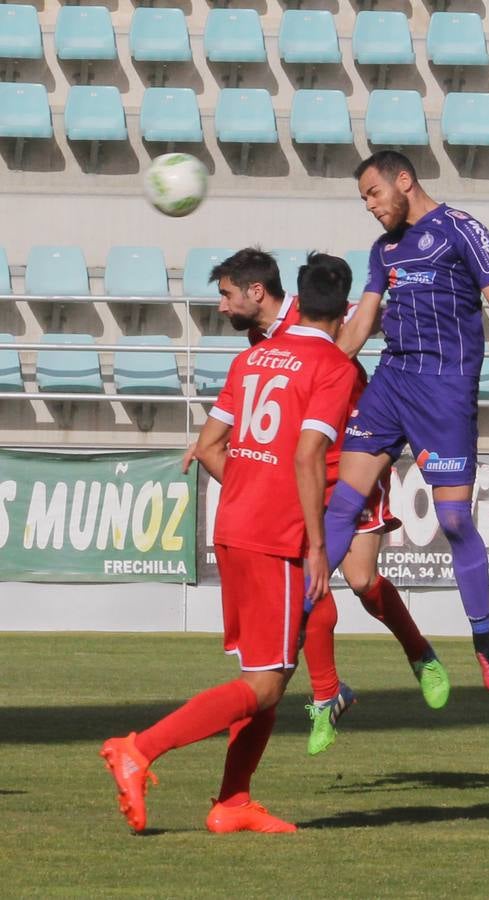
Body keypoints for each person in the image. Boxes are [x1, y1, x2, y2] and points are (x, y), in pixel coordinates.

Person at [100, 253, 357, 834]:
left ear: (295, 297)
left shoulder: (253, 358)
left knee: (269, 677)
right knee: (264, 683)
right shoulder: (333, 366)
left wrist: (251, 486)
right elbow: (308, 454)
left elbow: (209, 446)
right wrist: (317, 544)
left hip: (234, 525)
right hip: (276, 538)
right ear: (343, 309)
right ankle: (139, 749)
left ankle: (233, 802)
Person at [183, 248, 450, 757]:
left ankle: (420, 654)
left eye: (226, 295)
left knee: (362, 580)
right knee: (309, 589)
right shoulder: (261, 343)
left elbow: (357, 331)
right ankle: (328, 694)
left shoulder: (317, 313)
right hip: (299, 477)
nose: (221, 306)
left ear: (256, 292)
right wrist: (216, 444)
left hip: (349, 461)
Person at [322, 150, 489, 693]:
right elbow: (357, 331)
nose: (370, 206)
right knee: (343, 506)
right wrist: (313, 371)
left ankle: (484, 642)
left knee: (453, 520)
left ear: (404, 180)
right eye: (364, 199)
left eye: (373, 193)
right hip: (391, 384)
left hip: (446, 390)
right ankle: (298, 608)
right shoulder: (383, 250)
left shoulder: (461, 229)